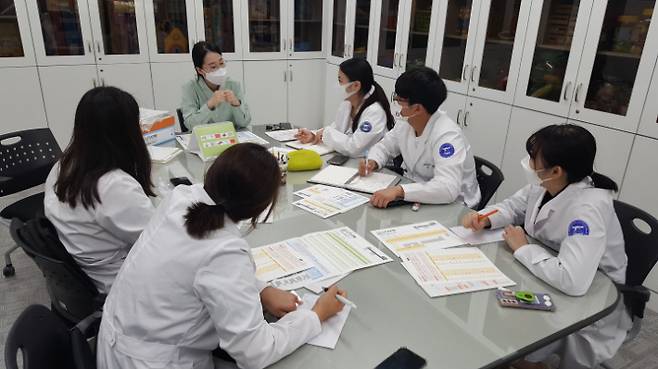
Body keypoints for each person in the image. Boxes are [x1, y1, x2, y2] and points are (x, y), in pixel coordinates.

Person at [97, 143, 346, 369]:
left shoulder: (182, 197)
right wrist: (315, 315)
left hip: (119, 340)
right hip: (154, 362)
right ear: (260, 208)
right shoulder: (225, 250)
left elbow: (199, 269)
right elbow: (255, 352)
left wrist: (261, 290)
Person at [461, 124, 631, 369]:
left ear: (556, 170)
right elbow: (512, 206)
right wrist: (486, 218)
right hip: (545, 273)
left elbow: (573, 280)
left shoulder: (588, 210)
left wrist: (522, 249)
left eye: (533, 158)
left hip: (592, 298)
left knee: (514, 337)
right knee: (500, 311)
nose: (528, 163)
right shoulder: (545, 184)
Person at [44, 86, 155, 294]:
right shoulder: (113, 186)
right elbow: (160, 242)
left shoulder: (64, 164)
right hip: (121, 283)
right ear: (122, 132)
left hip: (88, 269)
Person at [358, 66, 481, 208]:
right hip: (416, 194)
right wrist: (373, 161)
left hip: (455, 207)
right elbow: (384, 146)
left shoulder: (447, 136)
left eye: (399, 101)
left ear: (417, 108)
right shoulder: (406, 122)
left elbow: (447, 188)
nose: (396, 105)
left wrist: (400, 191)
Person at [295, 58, 395, 157]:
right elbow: (336, 130)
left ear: (356, 85)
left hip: (371, 166)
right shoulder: (348, 103)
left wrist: (325, 134)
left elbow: (354, 148)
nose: (337, 85)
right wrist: (314, 136)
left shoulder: (375, 112)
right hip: (351, 161)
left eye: (340, 80)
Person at [180, 41, 251, 129]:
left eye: (221, 63)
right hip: (205, 139)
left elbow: (245, 122)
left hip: (232, 138)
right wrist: (210, 105)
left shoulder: (233, 85)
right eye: (213, 67)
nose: (220, 69)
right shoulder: (190, 88)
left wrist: (236, 104)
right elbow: (190, 124)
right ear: (200, 70)